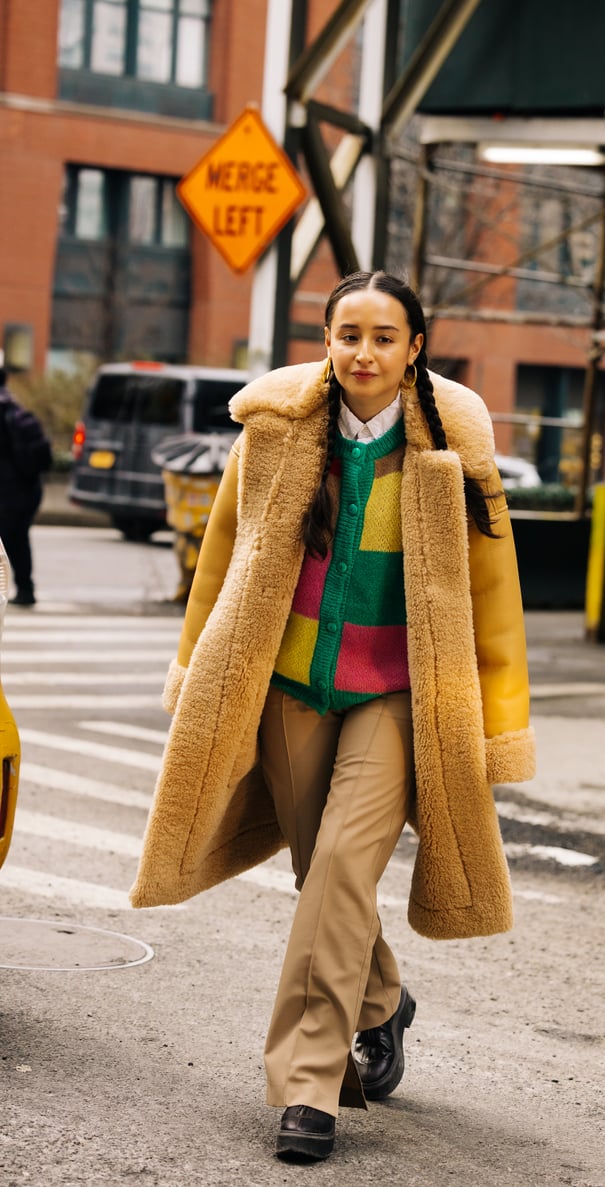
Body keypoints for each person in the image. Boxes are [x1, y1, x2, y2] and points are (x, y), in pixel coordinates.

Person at [130, 271, 536, 1163]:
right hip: (289, 689)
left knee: (344, 870)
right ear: (326, 341)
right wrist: (195, 670)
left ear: (415, 348)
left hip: (395, 697)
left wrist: (501, 721)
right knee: (324, 874)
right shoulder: (274, 439)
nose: (364, 352)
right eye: (348, 333)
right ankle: (384, 1001)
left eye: (384, 336)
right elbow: (224, 564)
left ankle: (307, 1089)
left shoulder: (452, 456)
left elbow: (493, 597)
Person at [0, 365, 53, 606]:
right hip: (26, 488)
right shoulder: (14, 407)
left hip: (11, 491)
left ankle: (25, 590)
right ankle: (25, 588)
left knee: (14, 539)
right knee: (17, 539)